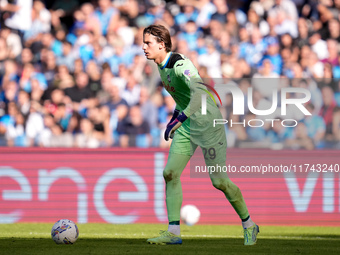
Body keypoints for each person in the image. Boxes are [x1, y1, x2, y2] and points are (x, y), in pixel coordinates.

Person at [142, 24, 259, 246]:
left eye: (148, 43)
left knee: (220, 182)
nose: (144, 47)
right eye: (144, 42)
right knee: (170, 173)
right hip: (188, 125)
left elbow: (199, 93)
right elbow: (183, 97)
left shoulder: (180, 65)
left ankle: (249, 225)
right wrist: (176, 115)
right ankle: (173, 232)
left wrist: (181, 117)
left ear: (162, 44)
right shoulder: (160, 66)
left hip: (207, 125)